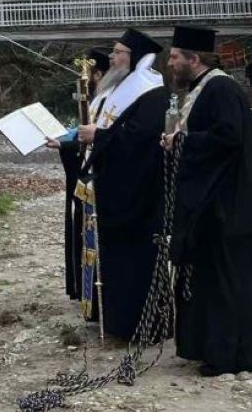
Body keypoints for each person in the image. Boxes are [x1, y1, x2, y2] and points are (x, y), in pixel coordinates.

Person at [163, 25, 252, 376]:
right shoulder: (203, 89)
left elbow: (227, 137)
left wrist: (182, 142)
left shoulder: (220, 88)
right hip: (215, 203)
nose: (170, 64)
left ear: (194, 59)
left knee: (226, 280)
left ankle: (230, 356)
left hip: (228, 205)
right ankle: (210, 349)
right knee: (209, 278)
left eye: (175, 57)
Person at [75, 28, 170, 339]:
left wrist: (98, 136)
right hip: (116, 187)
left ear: (136, 58)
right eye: (114, 52)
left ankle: (142, 326)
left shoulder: (151, 90)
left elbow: (140, 140)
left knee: (137, 259)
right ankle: (118, 322)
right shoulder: (119, 87)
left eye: (119, 53)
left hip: (138, 192)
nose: (113, 58)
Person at [52, 48, 110, 301]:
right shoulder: (99, 98)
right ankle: (82, 287)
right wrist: (66, 143)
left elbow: (102, 138)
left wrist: (66, 145)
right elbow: (83, 134)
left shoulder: (112, 100)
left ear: (99, 74)